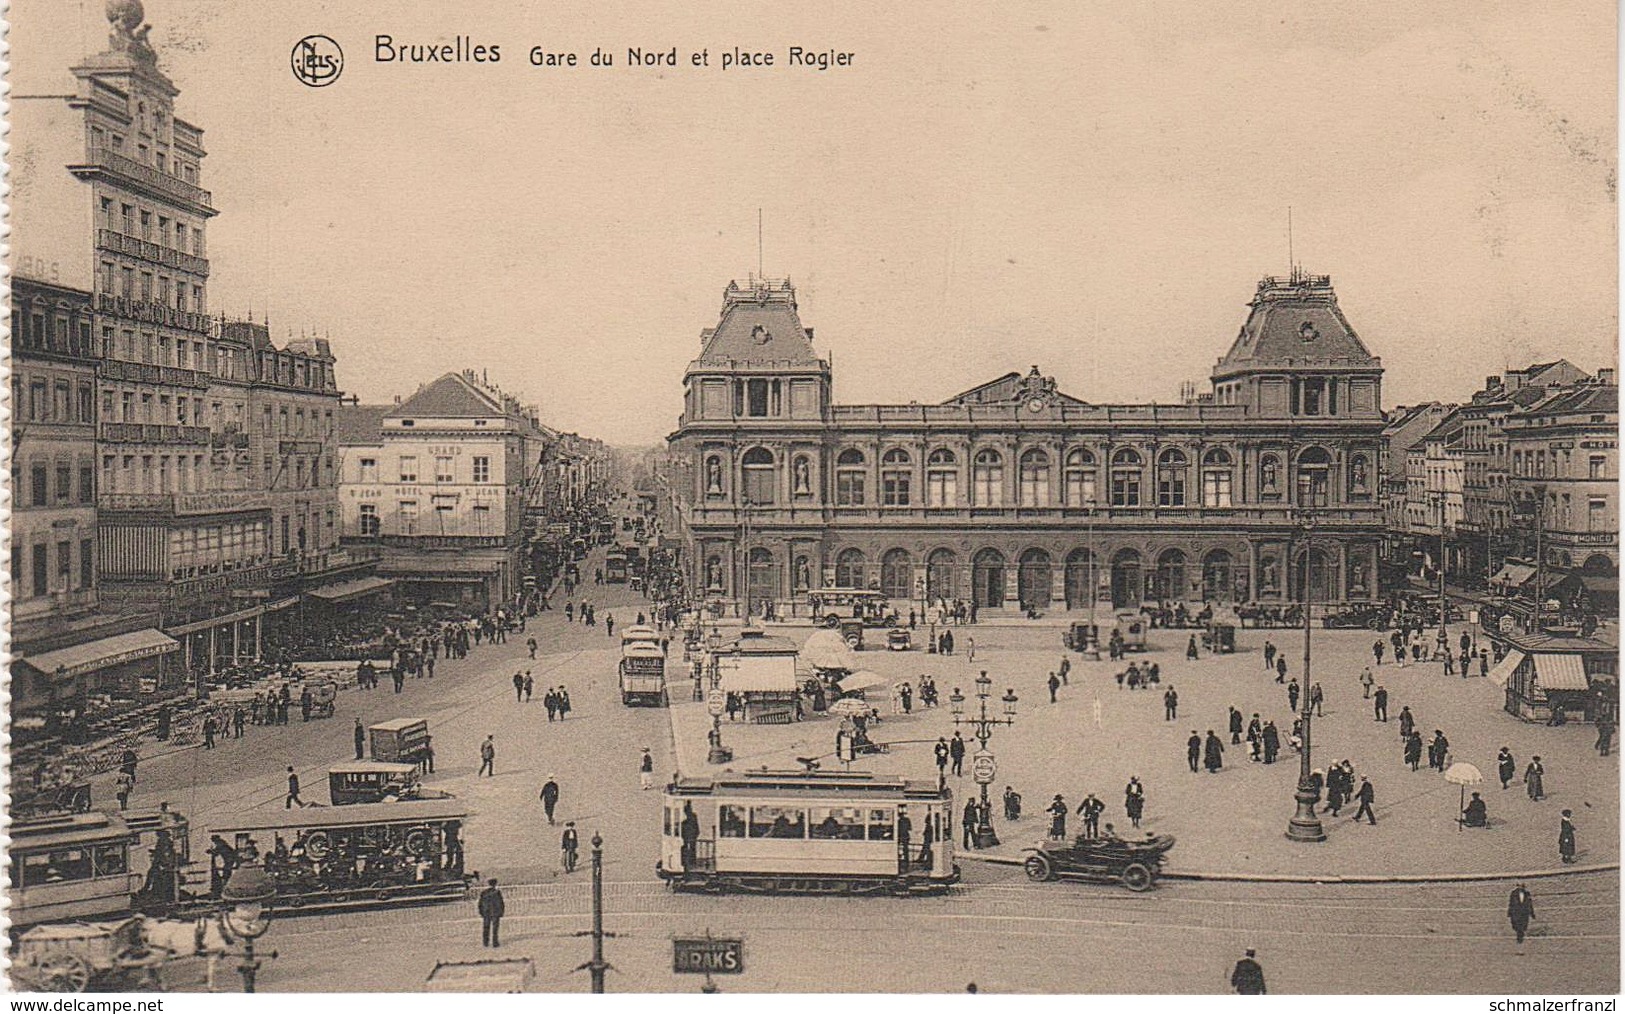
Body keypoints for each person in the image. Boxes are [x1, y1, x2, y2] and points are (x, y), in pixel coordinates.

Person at [478, 879, 505, 947]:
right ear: (495, 884)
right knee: (495, 928)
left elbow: (480, 903)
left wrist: (481, 911)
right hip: (495, 912)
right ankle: (495, 942)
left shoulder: (484, 892)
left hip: (486, 912)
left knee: (486, 927)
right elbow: (500, 903)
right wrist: (501, 911)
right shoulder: (497, 892)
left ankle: (485, 942)